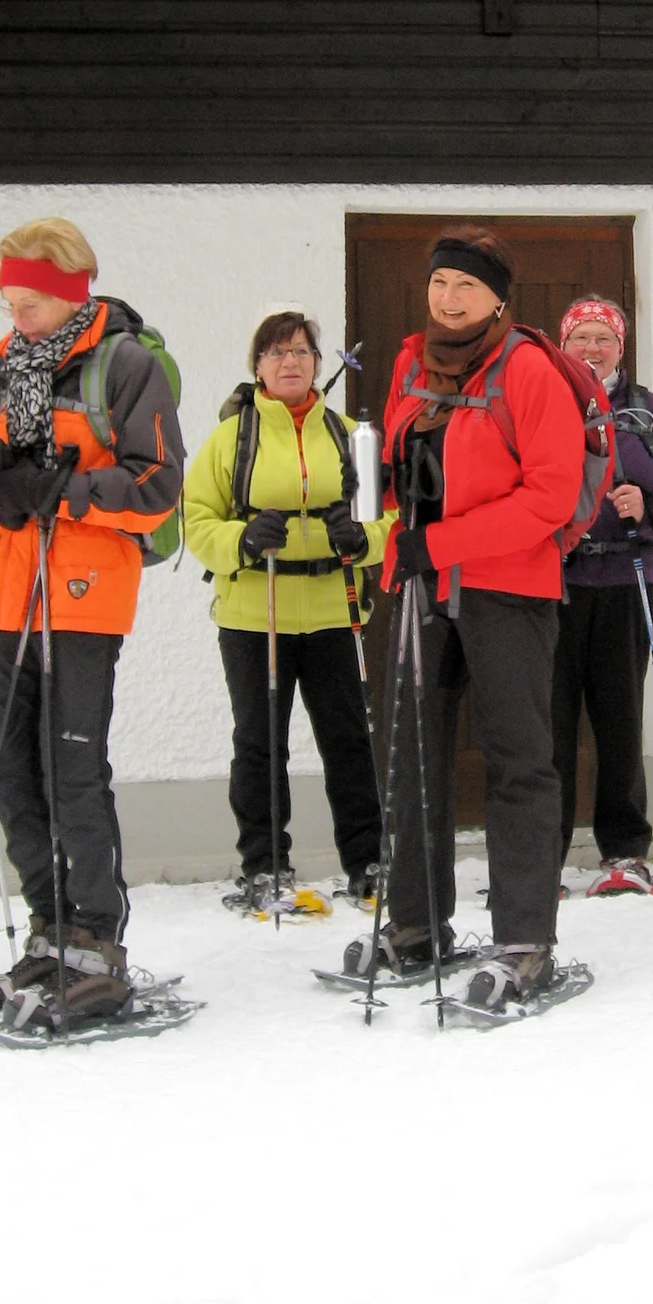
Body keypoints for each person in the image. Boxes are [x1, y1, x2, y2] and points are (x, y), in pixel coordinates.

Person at [0, 218, 185, 1028]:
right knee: (8, 775)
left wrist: (59, 494)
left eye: (27, 303)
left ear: (69, 292)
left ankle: (97, 938)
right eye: (8, 302)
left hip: (82, 597)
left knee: (71, 772)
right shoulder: (3, 364)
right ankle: (48, 927)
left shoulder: (126, 365)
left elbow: (158, 485)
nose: (14, 317)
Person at [369, 226, 584, 1013]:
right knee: (411, 757)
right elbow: (399, 469)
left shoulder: (527, 371)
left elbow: (551, 496)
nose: (449, 301)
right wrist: (397, 522)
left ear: (498, 298)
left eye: (465, 288)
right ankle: (418, 923)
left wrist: (443, 540)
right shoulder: (408, 362)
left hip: (508, 590)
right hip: (420, 586)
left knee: (518, 760)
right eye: (438, 286)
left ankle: (525, 939)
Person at [182, 307, 388, 908]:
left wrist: (363, 539)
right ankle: (264, 866)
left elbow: (388, 518)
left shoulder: (350, 435)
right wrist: (242, 541)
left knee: (348, 738)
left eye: (301, 352)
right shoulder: (232, 437)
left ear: (319, 365)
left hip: (334, 608)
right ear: (258, 367)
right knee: (260, 742)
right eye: (277, 352)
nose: (290, 361)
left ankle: (368, 861)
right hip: (254, 614)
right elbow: (195, 521)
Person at [552, 297, 653, 894]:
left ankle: (625, 852)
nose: (591, 349)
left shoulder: (647, 410)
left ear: (621, 347)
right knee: (550, 724)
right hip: (555, 585)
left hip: (627, 579)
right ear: (563, 345)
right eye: (580, 337)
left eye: (603, 338)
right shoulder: (546, 399)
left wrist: (650, 509)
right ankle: (542, 854)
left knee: (620, 720)